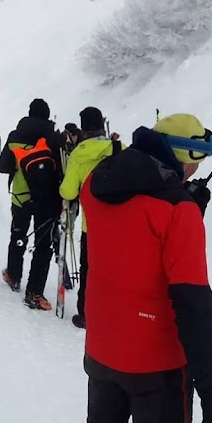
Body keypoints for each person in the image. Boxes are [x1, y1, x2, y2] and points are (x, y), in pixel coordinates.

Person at [73, 113, 212, 423]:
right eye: (196, 160)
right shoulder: (178, 212)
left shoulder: (96, 184)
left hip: (103, 350)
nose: (196, 171)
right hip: (158, 367)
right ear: (183, 155)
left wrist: (183, 203)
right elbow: (194, 307)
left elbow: (131, 237)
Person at [0, 98, 64, 311]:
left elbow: (2, 167)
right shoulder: (53, 138)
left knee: (18, 236)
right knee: (43, 246)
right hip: (47, 200)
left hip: (21, 197)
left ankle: (14, 276)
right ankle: (34, 293)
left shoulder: (15, 136)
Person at [59, 108, 121, 330]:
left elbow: (68, 192)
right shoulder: (118, 148)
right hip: (121, 223)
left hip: (92, 224)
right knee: (116, 269)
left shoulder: (78, 154)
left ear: (83, 129)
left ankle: (86, 314)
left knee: (89, 269)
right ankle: (115, 312)